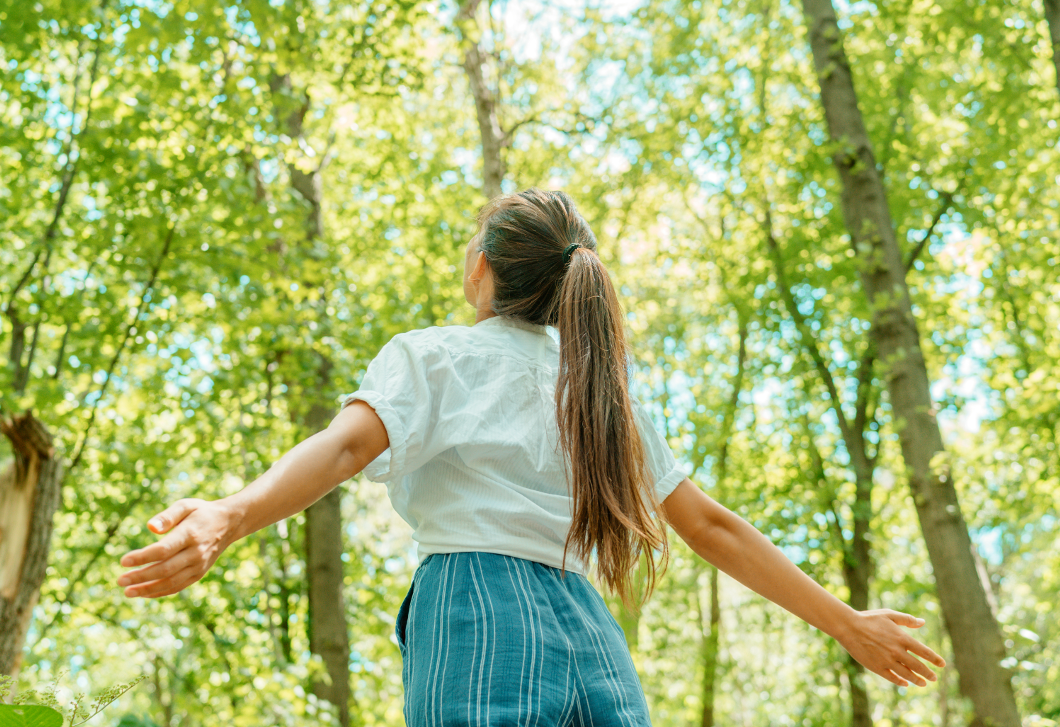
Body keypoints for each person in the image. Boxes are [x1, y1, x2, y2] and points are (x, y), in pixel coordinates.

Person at [118, 188, 945, 725]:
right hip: (589, 628)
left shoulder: (436, 354)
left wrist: (230, 512)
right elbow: (712, 525)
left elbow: (341, 450)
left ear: (482, 268)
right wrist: (846, 621)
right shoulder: (604, 394)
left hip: (475, 606)